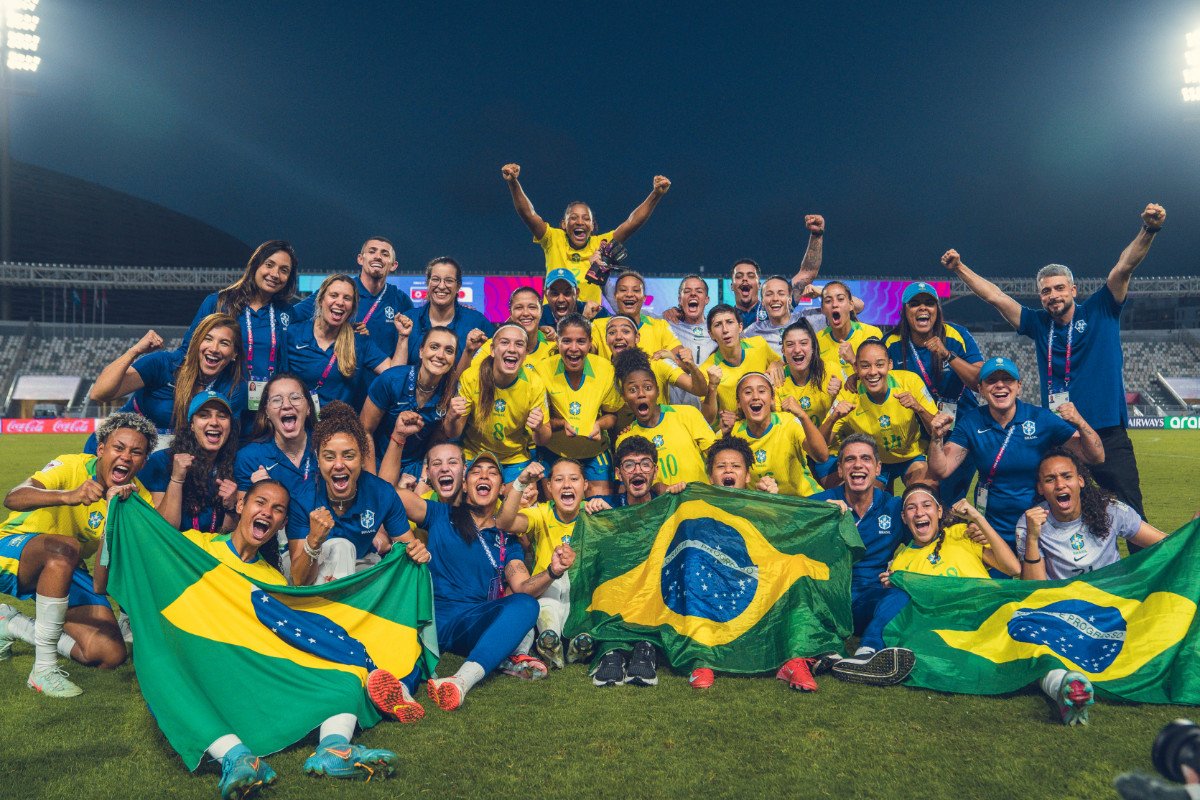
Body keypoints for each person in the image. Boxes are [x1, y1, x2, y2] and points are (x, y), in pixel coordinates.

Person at [105, 480, 410, 796]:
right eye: (260, 502)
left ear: (282, 523)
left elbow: (280, 638)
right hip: (194, 659)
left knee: (347, 677)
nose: (267, 512)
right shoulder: (195, 547)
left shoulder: (272, 580)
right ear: (240, 506)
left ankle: (334, 748)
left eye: (278, 510)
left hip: (248, 668)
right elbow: (132, 564)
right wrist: (120, 508)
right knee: (162, 667)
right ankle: (237, 758)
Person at [940, 202, 1166, 520]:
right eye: (1046, 291)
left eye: (1060, 288)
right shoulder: (1037, 323)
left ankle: (1143, 571)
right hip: (1060, 436)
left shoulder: (1102, 309)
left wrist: (1149, 229)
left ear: (1073, 289)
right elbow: (995, 296)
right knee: (1062, 514)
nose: (1053, 295)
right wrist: (959, 268)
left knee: (1130, 511)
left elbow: (1123, 268)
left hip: (1106, 433)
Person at [392, 451, 575, 709]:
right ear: (465, 485)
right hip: (431, 615)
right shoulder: (440, 514)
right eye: (476, 472)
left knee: (526, 604)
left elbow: (523, 587)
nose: (484, 476)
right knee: (413, 655)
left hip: (471, 622)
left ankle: (461, 681)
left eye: (492, 473)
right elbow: (392, 497)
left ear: (501, 489)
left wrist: (552, 572)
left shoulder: (506, 540)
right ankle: (399, 690)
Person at [0, 412, 155, 697]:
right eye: (118, 448)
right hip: (11, 549)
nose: (125, 457)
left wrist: (111, 523)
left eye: (136, 452)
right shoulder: (72, 465)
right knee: (65, 548)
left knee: (109, 653)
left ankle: (12, 624)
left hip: (65, 569)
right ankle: (43, 670)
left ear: (144, 461)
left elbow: (99, 585)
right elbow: (14, 497)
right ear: (101, 449)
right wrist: (68, 495)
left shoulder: (137, 499)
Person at [831, 486, 1019, 688]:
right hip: (953, 629)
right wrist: (894, 583)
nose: (919, 512)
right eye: (912, 508)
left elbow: (1012, 567)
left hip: (988, 614)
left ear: (939, 512)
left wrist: (978, 519)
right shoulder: (901, 562)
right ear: (904, 517)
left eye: (926, 505)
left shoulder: (961, 533)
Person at [927, 357, 1105, 548]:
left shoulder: (1041, 418)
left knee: (1037, 576)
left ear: (1019, 386)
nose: (1000, 385)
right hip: (991, 528)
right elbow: (941, 470)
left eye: (1007, 379)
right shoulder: (971, 422)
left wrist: (1080, 422)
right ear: (980, 389)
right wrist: (936, 439)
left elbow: (1095, 456)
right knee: (996, 578)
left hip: (1040, 525)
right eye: (992, 381)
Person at [501, 162, 671, 305]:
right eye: (573, 218)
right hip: (554, 318)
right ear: (563, 225)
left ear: (592, 225)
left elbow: (632, 223)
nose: (580, 222)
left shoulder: (601, 244)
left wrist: (656, 194)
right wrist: (513, 183)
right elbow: (528, 214)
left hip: (589, 319)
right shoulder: (553, 238)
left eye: (586, 219)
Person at [286, 402, 415, 584]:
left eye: (348, 456)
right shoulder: (303, 498)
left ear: (362, 456)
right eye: (329, 457)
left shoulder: (381, 493)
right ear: (318, 459)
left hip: (360, 563)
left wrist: (417, 551)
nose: (339, 465)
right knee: (342, 546)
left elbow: (408, 548)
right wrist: (313, 540)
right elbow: (299, 579)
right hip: (308, 568)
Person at [883, 281, 983, 504]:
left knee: (953, 499)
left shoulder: (957, 335)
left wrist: (948, 355)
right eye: (915, 303)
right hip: (920, 435)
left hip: (960, 429)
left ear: (937, 309)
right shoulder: (891, 342)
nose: (922, 308)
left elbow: (980, 382)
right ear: (904, 311)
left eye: (929, 303)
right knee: (926, 496)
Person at [88, 313, 245, 453]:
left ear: (234, 354)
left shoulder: (234, 387)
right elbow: (99, 393)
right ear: (196, 343)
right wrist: (134, 351)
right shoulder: (163, 364)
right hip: (121, 451)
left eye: (224, 343)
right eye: (208, 339)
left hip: (169, 461)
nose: (214, 348)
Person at [181, 241, 298, 422]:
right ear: (255, 265)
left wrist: (350, 327)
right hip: (221, 408)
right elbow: (187, 351)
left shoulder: (287, 313)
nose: (275, 274)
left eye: (284, 270)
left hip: (266, 414)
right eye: (269, 265)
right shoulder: (218, 303)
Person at [496, 459, 596, 669]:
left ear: (585, 485)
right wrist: (520, 483)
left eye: (574, 479)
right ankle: (551, 636)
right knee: (549, 598)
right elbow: (504, 523)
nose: (567, 485)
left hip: (583, 594)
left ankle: (576, 640)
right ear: (549, 487)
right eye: (559, 479)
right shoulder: (541, 513)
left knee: (583, 593)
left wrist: (606, 509)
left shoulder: (594, 513)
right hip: (549, 590)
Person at [812, 434, 908, 645]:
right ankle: (822, 650)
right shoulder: (821, 504)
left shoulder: (893, 508)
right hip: (825, 599)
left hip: (867, 599)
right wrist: (822, 520)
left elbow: (930, 535)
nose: (858, 465)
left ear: (878, 468)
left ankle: (868, 650)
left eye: (866, 459)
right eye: (849, 459)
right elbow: (783, 526)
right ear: (840, 469)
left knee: (900, 596)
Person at [1016, 448, 1167, 580]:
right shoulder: (1030, 522)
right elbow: (1035, 590)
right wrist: (1032, 538)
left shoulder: (1110, 510)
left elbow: (1167, 544)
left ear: (1080, 481)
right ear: (1040, 488)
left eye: (1067, 476)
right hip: (1063, 606)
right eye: (1050, 480)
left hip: (1112, 600)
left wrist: (1191, 535)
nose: (1060, 485)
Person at [444, 323, 552, 482]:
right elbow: (453, 433)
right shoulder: (471, 377)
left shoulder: (534, 383)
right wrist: (451, 417)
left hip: (515, 458)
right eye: (505, 342)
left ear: (526, 353)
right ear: (492, 350)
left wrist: (539, 428)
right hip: (475, 454)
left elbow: (543, 439)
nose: (512, 349)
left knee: (524, 501)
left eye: (519, 344)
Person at [824, 339, 938, 488]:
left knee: (925, 489)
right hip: (872, 460)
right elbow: (822, 446)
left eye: (879, 364)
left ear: (890, 364)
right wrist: (833, 419)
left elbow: (936, 429)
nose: (872, 372)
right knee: (861, 498)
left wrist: (919, 408)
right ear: (856, 368)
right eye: (865, 366)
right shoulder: (848, 395)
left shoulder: (910, 381)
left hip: (911, 456)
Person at [533, 314, 624, 497]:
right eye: (566, 341)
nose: (573, 348)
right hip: (554, 451)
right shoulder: (542, 370)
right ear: (557, 342)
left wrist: (599, 424)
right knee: (557, 513)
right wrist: (561, 423)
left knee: (599, 512)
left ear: (590, 343)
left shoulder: (605, 369)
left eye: (581, 341)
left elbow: (612, 415)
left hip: (594, 451)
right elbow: (541, 423)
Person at [288, 274, 406, 412]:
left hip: (339, 429)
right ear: (320, 300)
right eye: (334, 295)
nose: (340, 302)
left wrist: (403, 336)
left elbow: (395, 375)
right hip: (297, 424)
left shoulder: (359, 341)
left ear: (353, 307)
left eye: (347, 298)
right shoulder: (293, 334)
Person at [293, 236, 414, 358]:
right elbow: (291, 317)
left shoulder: (401, 300)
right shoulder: (339, 291)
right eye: (372, 251)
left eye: (385, 254)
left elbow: (412, 342)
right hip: (342, 373)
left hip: (384, 372)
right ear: (360, 259)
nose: (378, 256)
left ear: (393, 265)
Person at [360, 326, 458, 475]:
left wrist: (425, 476)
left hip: (416, 467)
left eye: (449, 351)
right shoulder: (391, 380)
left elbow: (437, 440)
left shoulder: (450, 392)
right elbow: (365, 430)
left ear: (454, 359)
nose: (440, 355)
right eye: (434, 347)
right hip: (378, 460)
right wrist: (371, 478)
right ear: (421, 351)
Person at [613, 350, 717, 486]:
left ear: (657, 391)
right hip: (660, 507)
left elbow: (718, 458)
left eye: (648, 387)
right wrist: (656, 488)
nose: (641, 394)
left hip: (700, 503)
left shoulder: (688, 414)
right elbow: (628, 488)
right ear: (624, 398)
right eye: (632, 390)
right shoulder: (626, 439)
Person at [140, 391, 239, 533]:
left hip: (210, 551)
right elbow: (163, 530)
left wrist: (231, 507)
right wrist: (176, 480)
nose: (214, 422)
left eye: (222, 416)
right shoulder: (162, 461)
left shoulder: (234, 465)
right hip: (171, 550)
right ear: (191, 425)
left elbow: (227, 535)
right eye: (204, 415)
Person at [726, 372, 827, 496]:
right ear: (738, 402)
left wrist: (803, 416)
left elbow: (822, 456)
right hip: (766, 507)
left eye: (762, 391)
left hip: (806, 500)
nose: (755, 397)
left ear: (772, 398)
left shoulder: (788, 422)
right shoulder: (733, 432)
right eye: (748, 392)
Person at [234, 372, 319, 511]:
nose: (286, 405)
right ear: (266, 411)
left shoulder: (327, 446)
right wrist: (260, 492)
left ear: (309, 408)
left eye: (295, 397)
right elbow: (244, 519)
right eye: (276, 400)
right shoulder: (249, 458)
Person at [605, 318, 710, 426]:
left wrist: (692, 366)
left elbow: (700, 390)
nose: (618, 337)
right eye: (612, 332)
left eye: (626, 331)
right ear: (606, 339)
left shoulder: (658, 364)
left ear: (637, 338)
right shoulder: (603, 371)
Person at [398, 257, 495, 369]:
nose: (442, 286)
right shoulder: (409, 320)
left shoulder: (477, 322)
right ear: (427, 283)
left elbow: (491, 366)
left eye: (449, 280)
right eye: (435, 279)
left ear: (458, 286)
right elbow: (396, 373)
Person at [776, 319, 842, 480]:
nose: (797, 350)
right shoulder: (777, 381)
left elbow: (846, 412)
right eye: (790, 345)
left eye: (803, 343)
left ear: (813, 348)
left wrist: (838, 395)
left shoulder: (831, 370)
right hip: (796, 454)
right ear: (783, 351)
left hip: (830, 449)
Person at [700, 303, 782, 422]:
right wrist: (712, 387)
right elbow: (707, 419)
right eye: (718, 325)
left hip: (767, 423)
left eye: (729, 322)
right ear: (711, 334)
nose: (725, 330)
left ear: (740, 327)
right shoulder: (706, 370)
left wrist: (776, 363)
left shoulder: (759, 344)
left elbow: (783, 364)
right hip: (732, 432)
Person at [592, 270, 687, 362]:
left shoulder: (661, 327)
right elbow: (583, 352)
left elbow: (684, 363)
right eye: (623, 290)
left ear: (644, 298)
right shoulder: (599, 326)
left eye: (636, 290)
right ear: (615, 296)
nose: (629, 294)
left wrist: (674, 359)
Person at [469, 286, 556, 369]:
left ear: (541, 311)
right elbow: (469, 378)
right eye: (519, 308)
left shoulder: (554, 345)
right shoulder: (493, 346)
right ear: (510, 313)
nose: (525, 313)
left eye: (532, 307)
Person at [817, 281, 883, 379]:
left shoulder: (871, 333)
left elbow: (878, 376)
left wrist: (853, 360)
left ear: (851, 305)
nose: (835, 304)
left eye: (840, 299)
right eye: (828, 301)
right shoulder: (817, 340)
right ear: (822, 309)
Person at [540, 267, 607, 331]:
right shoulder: (538, 317)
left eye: (567, 293)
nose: (561, 299)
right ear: (546, 295)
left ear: (577, 293)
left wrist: (585, 319)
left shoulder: (596, 313)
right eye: (555, 294)